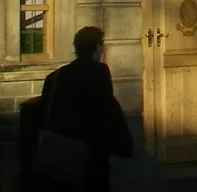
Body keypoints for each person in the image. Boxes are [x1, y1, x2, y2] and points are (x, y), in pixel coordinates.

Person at [36, 26, 133, 191]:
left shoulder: (56, 76)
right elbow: (107, 110)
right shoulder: (99, 72)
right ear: (96, 47)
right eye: (101, 45)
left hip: (60, 157)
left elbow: (45, 113)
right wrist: (122, 145)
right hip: (91, 156)